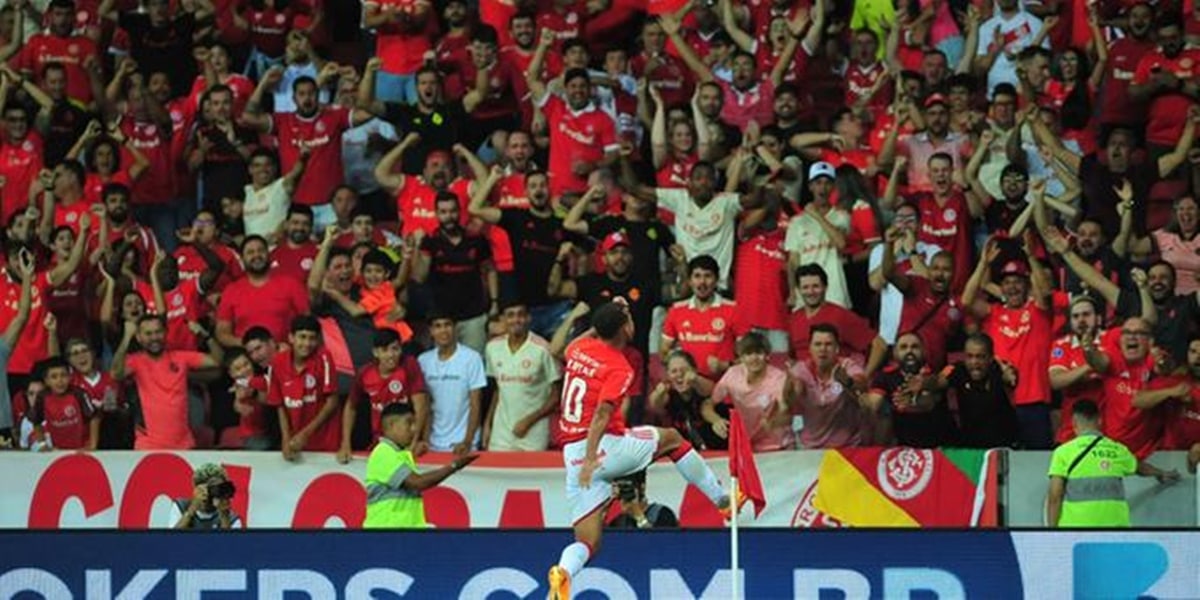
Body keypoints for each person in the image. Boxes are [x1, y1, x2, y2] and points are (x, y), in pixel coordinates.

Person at [548, 302, 738, 600]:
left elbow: (571, 344)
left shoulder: (579, 349)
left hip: (570, 454)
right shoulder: (619, 366)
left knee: (588, 541)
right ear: (625, 328)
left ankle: (564, 574)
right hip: (599, 449)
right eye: (629, 320)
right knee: (673, 438)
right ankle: (723, 501)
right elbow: (600, 415)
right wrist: (590, 458)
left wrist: (603, 319)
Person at [1046, 400, 1176, 528]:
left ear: (1074, 422)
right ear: (1100, 421)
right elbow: (1140, 467)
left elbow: (1054, 496)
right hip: (1115, 529)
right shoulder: (1117, 449)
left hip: (1076, 529)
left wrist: (1052, 531)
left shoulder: (1063, 452)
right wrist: (1161, 473)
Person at [111, 314, 223, 449]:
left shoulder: (181, 357)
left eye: (158, 332)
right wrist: (126, 338)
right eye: (148, 333)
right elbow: (115, 374)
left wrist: (206, 336)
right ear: (139, 338)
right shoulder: (135, 361)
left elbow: (217, 360)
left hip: (184, 444)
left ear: (165, 333)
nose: (154, 337)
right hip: (148, 445)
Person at [363, 403, 479, 529]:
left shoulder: (401, 455)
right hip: (385, 533)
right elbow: (418, 483)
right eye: (409, 423)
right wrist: (454, 466)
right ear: (391, 425)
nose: (413, 429)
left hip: (404, 532)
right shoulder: (383, 453)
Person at [338, 328, 428, 463]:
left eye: (395, 349)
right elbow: (351, 407)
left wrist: (415, 442)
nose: (391, 355)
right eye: (385, 350)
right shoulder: (365, 373)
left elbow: (421, 406)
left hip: (407, 443)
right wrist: (345, 444)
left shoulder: (409, 365)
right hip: (379, 443)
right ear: (376, 352)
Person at [484, 300, 561, 451]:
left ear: (528, 318)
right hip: (501, 433)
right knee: (499, 473)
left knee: (532, 474)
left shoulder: (542, 349)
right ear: (503, 319)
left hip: (534, 433)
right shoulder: (492, 347)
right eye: (510, 315)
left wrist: (529, 421)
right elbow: (498, 391)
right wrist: (488, 424)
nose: (516, 320)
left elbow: (555, 397)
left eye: (520, 315)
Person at [268, 316, 341, 461]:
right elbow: (280, 404)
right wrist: (286, 438)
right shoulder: (277, 362)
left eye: (312, 338)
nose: (307, 343)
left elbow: (332, 401)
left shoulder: (324, 358)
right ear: (291, 338)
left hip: (325, 441)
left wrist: (305, 434)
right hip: (296, 443)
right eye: (302, 337)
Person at [420, 311, 485, 455]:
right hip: (433, 443)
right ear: (431, 331)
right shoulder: (423, 361)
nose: (443, 330)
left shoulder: (472, 358)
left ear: (455, 327)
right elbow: (425, 405)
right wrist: (425, 439)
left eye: (447, 325)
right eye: (437, 326)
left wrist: (468, 441)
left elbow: (476, 403)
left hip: (464, 444)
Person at [28, 356, 100, 451]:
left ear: (70, 377)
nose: (60, 380)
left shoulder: (79, 394)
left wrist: (92, 445)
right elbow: (36, 421)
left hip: (81, 448)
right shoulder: (42, 397)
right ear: (46, 381)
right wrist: (42, 444)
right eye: (54, 377)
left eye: (63, 375)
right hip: (58, 450)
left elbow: (94, 418)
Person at [169, 463, 243, 529]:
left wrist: (224, 516)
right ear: (198, 489)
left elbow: (229, 543)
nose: (217, 491)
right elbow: (171, 540)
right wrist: (192, 509)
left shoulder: (232, 518)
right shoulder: (181, 506)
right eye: (212, 487)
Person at [606, 469, 678, 529]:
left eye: (627, 487)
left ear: (642, 487)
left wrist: (639, 516)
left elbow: (659, 543)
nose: (624, 493)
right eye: (621, 487)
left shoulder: (663, 514)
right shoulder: (618, 522)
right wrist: (604, 509)